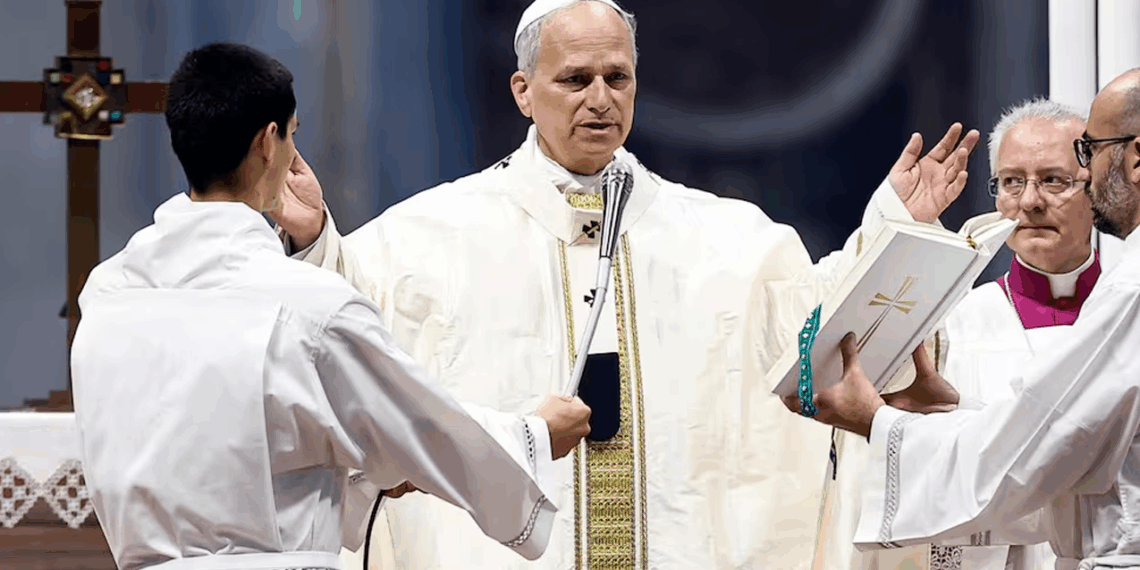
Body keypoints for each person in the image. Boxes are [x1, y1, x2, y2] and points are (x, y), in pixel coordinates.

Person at [273, 1, 979, 568]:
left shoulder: (726, 239)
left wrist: (891, 232)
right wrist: (312, 243)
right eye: (576, 80)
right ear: (523, 91)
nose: (601, 99)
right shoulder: (428, 236)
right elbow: (344, 331)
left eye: (618, 78)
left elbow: (810, 339)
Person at [69, 41, 592, 570]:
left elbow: (229, 442)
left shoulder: (111, 293)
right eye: (294, 134)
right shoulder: (310, 307)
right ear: (268, 142)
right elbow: (424, 428)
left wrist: (373, 472)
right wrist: (534, 435)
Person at [787, 68, 1140, 570]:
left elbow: (1038, 454)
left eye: (1055, 180)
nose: (1031, 202)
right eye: (1012, 182)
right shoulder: (949, 322)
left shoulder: (1124, 295)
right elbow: (828, 331)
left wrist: (880, 423)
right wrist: (898, 223)